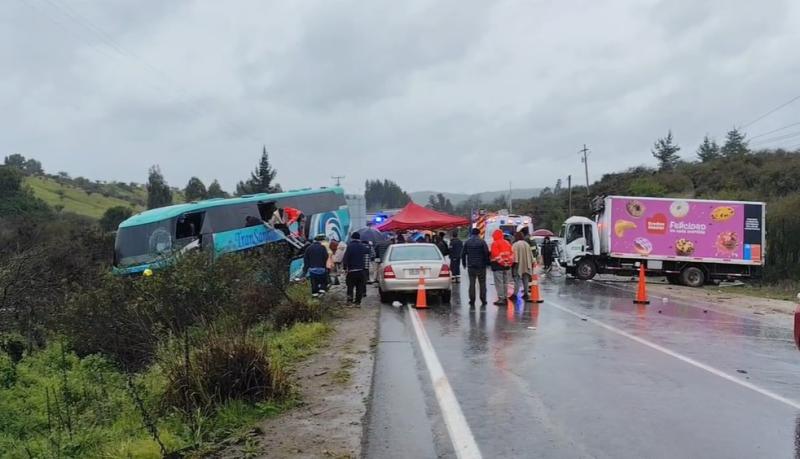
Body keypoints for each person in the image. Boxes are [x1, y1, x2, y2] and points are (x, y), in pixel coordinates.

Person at [462, 227, 490, 308]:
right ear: (479, 233)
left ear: (472, 233)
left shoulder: (467, 242)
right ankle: (483, 299)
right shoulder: (482, 242)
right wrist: (487, 263)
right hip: (481, 266)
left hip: (471, 266)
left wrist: (464, 263)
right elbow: (486, 253)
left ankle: (472, 300)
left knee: (472, 284)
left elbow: (463, 254)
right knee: (482, 283)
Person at [343, 232, 371, 304]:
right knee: (359, 287)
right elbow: (367, 256)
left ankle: (349, 301)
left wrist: (345, 267)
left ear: (352, 238)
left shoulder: (349, 246)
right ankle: (357, 302)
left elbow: (346, 258)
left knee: (350, 287)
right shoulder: (363, 246)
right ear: (359, 238)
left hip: (352, 270)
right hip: (361, 270)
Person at [489, 229, 514, 306]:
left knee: (499, 282)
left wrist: (502, 263)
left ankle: (501, 298)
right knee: (505, 282)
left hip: (498, 266)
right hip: (507, 266)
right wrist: (508, 263)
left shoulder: (495, 243)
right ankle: (505, 297)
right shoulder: (507, 243)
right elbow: (512, 254)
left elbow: (496, 255)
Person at [512, 232, 535, 301]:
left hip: (518, 264)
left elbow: (514, 256)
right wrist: (531, 263)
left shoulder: (515, 245)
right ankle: (526, 294)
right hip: (527, 264)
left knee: (517, 279)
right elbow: (531, 255)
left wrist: (513, 265)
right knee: (526, 279)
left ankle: (515, 294)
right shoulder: (527, 244)